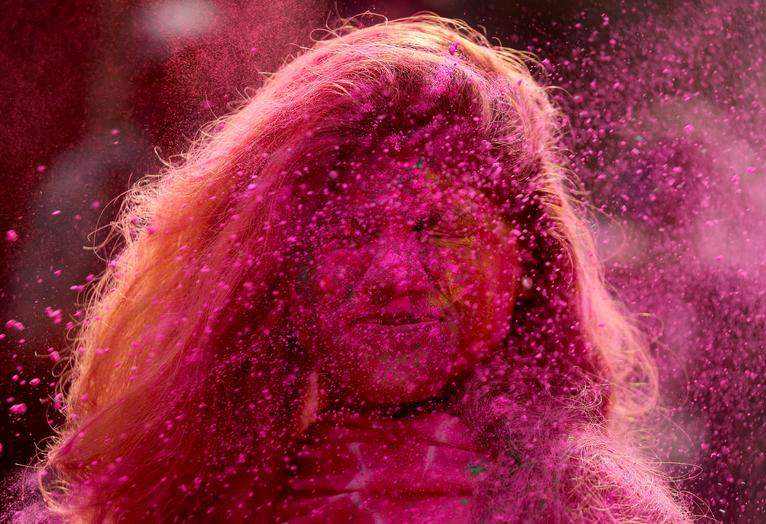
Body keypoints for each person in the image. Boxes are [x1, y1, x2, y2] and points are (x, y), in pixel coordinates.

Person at [34, 13, 691, 523]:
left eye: (441, 229)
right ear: (277, 269)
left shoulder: (584, 510)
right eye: (347, 231)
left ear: (526, 259)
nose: (396, 274)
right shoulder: (194, 501)